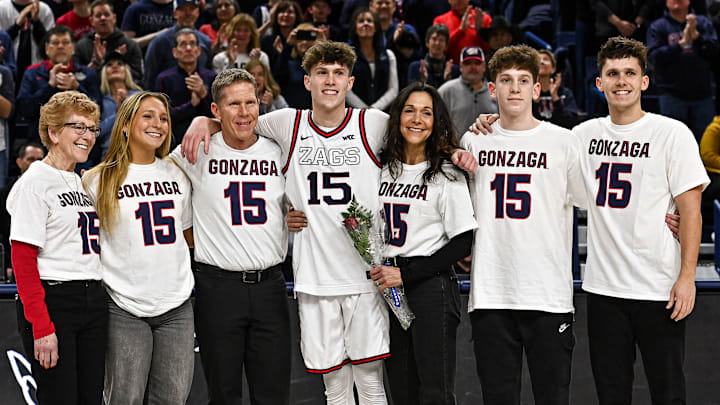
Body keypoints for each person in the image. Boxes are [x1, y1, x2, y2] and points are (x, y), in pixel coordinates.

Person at [180, 40, 479, 405]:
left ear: (351, 82)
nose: (330, 81)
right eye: (321, 72)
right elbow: (238, 118)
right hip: (313, 278)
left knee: (370, 382)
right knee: (334, 386)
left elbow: (417, 132)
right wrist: (202, 120)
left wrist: (455, 150)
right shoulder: (287, 123)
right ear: (307, 81)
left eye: (339, 73)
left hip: (366, 279)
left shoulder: (372, 123)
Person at [476, 36, 708, 405]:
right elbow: (526, 133)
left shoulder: (672, 133)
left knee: (669, 393)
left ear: (644, 82)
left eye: (630, 73)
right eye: (612, 73)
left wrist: (687, 277)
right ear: (598, 83)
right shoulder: (579, 136)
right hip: (603, 290)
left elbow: (691, 210)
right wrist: (489, 122)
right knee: (610, 394)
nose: (621, 81)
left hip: (659, 287)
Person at [460, 44, 585, 405]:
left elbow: (592, 203)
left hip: (548, 295)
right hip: (492, 295)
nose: (514, 88)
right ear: (492, 89)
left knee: (552, 398)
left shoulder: (564, 141)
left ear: (536, 88)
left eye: (523, 80)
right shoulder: (474, 140)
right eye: (505, 80)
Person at [168, 68, 291, 405]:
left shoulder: (279, 150)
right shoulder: (196, 150)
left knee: (274, 394)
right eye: (233, 104)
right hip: (217, 288)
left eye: (250, 102)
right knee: (223, 394)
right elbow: (157, 183)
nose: (244, 111)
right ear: (215, 110)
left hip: (271, 286)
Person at [82, 91, 195, 404]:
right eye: (148, 116)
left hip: (177, 306)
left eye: (163, 117)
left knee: (173, 399)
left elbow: (188, 237)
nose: (157, 123)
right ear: (126, 125)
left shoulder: (178, 174)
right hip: (122, 305)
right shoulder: (96, 180)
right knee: (124, 399)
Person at [372, 82, 477, 404]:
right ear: (397, 117)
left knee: (435, 390)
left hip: (430, 289)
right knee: (401, 389)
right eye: (410, 110)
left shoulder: (447, 171)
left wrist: (407, 275)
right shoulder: (379, 166)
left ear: (437, 122)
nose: (417, 119)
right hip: (387, 287)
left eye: (427, 113)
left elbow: (463, 242)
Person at [8, 91, 106, 404]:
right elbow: (23, 261)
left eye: (92, 129)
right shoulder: (35, 181)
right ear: (53, 132)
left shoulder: (81, 181)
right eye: (78, 127)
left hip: (93, 298)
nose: (87, 136)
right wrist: (41, 326)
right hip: (55, 302)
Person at [647, 0, 719, 142]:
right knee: (674, 144)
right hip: (671, 95)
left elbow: (714, 51)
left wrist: (696, 37)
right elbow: (654, 57)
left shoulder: (703, 23)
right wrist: (680, 45)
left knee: (705, 144)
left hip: (702, 95)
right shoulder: (658, 26)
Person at [16, 25, 101, 144]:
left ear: (73, 48)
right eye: (55, 43)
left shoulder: (87, 73)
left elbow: (97, 110)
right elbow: (23, 109)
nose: (60, 46)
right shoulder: (32, 73)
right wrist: (50, 86)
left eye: (65, 42)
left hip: (79, 140)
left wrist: (77, 87)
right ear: (46, 49)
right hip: (41, 141)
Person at [155, 28, 216, 145]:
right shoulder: (164, 78)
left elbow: (220, 116)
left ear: (198, 51)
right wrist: (191, 105)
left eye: (192, 44)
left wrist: (204, 94)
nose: (188, 49)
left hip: (208, 142)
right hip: (175, 143)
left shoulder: (212, 77)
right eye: (183, 45)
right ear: (175, 52)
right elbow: (162, 117)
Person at [143, 0, 212, 91]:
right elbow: (149, 77)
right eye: (183, 9)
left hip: (200, 97)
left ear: (198, 12)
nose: (188, 13)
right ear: (175, 13)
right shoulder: (160, 41)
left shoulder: (205, 41)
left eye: (191, 9)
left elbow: (208, 71)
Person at [1, 142, 44, 283]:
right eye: (31, 159)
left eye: (40, 160)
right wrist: (7, 264)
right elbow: (4, 232)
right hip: (17, 262)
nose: (36, 164)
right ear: (19, 162)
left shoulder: (56, 192)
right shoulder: (4, 194)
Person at [75, 0, 143, 83]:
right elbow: (78, 78)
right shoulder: (81, 46)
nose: (103, 18)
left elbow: (138, 75)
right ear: (91, 21)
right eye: (98, 15)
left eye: (106, 15)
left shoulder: (130, 44)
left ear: (114, 18)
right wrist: (96, 62)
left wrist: (119, 62)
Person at [346, 8, 398, 111]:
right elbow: (345, 89)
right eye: (361, 21)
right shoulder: (347, 56)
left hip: (383, 113)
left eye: (369, 21)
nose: (366, 24)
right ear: (355, 28)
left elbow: (393, 89)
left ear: (375, 28)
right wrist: (364, 109)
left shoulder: (389, 55)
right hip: (355, 113)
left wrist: (374, 109)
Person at [438, 45, 496, 136]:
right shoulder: (445, 91)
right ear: (460, 66)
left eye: (477, 63)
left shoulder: (495, 91)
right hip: (456, 148)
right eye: (468, 63)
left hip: (489, 149)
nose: (473, 67)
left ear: (484, 66)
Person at [96, 51, 142, 159]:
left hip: (138, 154)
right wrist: (118, 114)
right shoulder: (100, 101)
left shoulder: (140, 96)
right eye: (109, 65)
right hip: (109, 156)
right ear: (104, 72)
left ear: (126, 70)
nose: (115, 66)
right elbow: (96, 133)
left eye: (120, 64)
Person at [0, 0, 55, 83]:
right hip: (8, 70)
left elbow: (50, 47)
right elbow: (3, 44)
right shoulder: (2, 7)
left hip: (37, 70)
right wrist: (16, 26)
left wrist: (36, 22)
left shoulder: (44, 9)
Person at [273, 22, 324, 109]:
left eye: (309, 38)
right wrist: (288, 45)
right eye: (300, 38)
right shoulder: (289, 63)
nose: (304, 42)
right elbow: (278, 77)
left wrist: (323, 45)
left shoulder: (322, 63)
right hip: (293, 112)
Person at [533, 48, 580, 129]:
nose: (541, 62)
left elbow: (571, 122)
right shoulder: (527, 93)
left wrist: (555, 98)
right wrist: (535, 102)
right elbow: (524, 125)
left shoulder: (565, 93)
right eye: (538, 60)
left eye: (546, 59)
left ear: (553, 69)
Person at [407, 24, 459, 88]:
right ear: (427, 42)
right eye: (434, 39)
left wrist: (448, 81)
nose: (437, 43)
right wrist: (422, 82)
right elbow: (412, 94)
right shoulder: (416, 67)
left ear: (446, 46)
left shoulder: (454, 70)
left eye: (441, 40)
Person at [259, 0, 302, 65]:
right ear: (276, 16)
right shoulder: (267, 41)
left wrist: (284, 52)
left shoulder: (302, 41)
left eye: (290, 12)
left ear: (296, 16)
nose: (286, 15)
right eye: (282, 11)